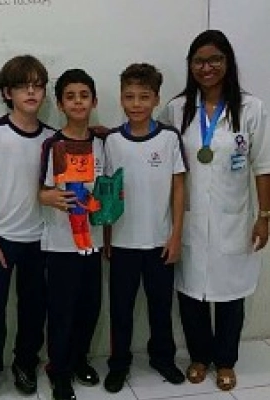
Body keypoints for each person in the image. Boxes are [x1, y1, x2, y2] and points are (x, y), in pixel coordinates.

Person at [159, 29, 270, 391]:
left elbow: (263, 165)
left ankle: (225, 361)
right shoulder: (177, 109)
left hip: (234, 218)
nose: (206, 68)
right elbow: (153, 144)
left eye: (215, 60)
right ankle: (198, 357)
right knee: (190, 291)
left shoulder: (251, 108)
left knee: (230, 294)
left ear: (228, 62)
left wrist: (264, 216)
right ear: (190, 65)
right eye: (199, 61)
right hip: (189, 218)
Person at [0, 55, 55, 400]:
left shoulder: (51, 138)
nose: (31, 92)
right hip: (0, 241)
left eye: (37, 85)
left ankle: (25, 363)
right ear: (8, 93)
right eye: (22, 86)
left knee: (33, 308)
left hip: (40, 239)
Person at [102, 63, 186, 393]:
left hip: (160, 243)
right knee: (120, 309)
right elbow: (107, 191)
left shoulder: (169, 138)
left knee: (160, 307)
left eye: (144, 97)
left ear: (156, 99)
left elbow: (179, 188)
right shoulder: (111, 141)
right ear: (121, 98)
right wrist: (107, 236)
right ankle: (119, 364)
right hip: (123, 243)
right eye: (129, 96)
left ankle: (162, 358)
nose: (136, 103)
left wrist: (176, 235)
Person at [39, 69, 104, 400]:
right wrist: (47, 196)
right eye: (70, 96)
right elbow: (40, 190)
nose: (78, 102)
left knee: (89, 306)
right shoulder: (52, 144)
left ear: (94, 101)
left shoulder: (102, 142)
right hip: (61, 244)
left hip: (94, 243)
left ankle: (79, 360)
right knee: (62, 310)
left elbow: (106, 187)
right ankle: (59, 370)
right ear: (60, 104)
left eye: (84, 95)